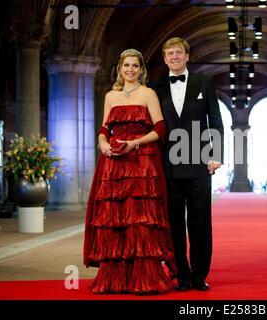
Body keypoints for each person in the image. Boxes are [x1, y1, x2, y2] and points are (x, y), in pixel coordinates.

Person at [83, 48, 176, 294]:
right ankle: (115, 279)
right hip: (114, 162)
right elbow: (104, 128)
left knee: (140, 220)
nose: (130, 70)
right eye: (126, 66)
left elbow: (161, 128)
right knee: (114, 219)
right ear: (120, 68)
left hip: (141, 161)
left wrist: (136, 142)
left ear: (141, 69)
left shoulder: (148, 94)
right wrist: (102, 143)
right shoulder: (110, 96)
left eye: (135, 66)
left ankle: (144, 279)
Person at [149, 37, 224, 291]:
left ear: (187, 55)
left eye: (178, 52)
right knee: (174, 224)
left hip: (199, 163)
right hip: (167, 163)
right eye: (169, 53)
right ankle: (181, 274)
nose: (174, 57)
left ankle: (199, 275)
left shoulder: (203, 82)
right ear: (164, 58)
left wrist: (217, 155)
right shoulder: (155, 85)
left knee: (200, 222)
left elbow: (215, 120)